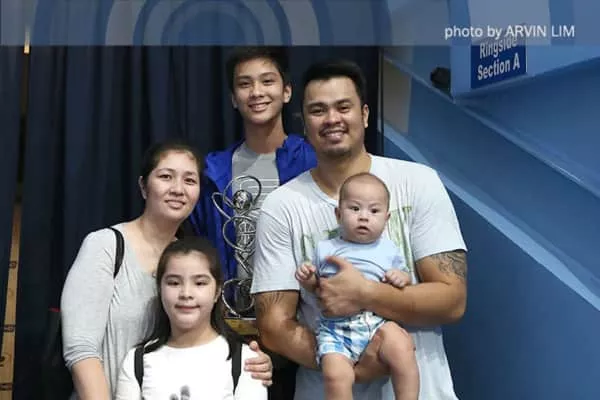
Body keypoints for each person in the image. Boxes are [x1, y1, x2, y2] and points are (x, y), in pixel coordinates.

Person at [251, 59, 468, 399]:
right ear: (304, 124)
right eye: (318, 110)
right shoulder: (281, 207)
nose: (332, 119)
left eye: (343, 107)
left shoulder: (418, 182)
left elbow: (452, 300)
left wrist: (365, 293)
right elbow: (273, 326)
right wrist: (353, 365)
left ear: (365, 114)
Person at [61, 140, 273, 399]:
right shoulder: (105, 246)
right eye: (165, 177)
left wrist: (250, 362)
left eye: (189, 180)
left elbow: (207, 336)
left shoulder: (190, 259)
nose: (178, 189)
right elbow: (80, 350)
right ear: (143, 186)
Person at [188, 46, 316, 283]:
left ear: (287, 92)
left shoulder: (312, 161)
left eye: (267, 81)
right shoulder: (212, 171)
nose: (256, 92)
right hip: (229, 302)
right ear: (233, 98)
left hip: (300, 301)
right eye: (245, 84)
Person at [295, 172, 420, 400]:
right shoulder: (326, 248)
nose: (364, 217)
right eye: (354, 209)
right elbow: (318, 288)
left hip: (377, 322)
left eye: (374, 211)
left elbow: (405, 278)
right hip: (335, 329)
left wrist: (400, 277)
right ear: (338, 214)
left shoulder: (388, 249)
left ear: (387, 219)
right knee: (335, 375)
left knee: (402, 348)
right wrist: (308, 279)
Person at [115, 236, 268, 399]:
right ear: (160, 288)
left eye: (200, 283)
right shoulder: (136, 362)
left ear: (217, 291)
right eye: (174, 283)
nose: (186, 293)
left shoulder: (246, 361)